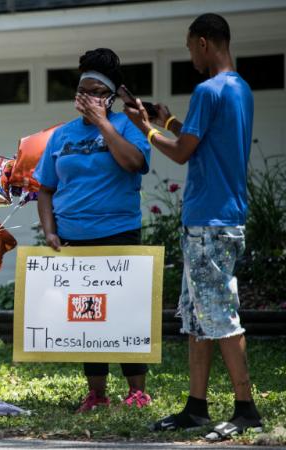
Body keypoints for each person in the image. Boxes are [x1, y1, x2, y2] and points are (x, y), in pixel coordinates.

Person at [124, 13, 262, 440]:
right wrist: (166, 122)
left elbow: (182, 154)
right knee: (199, 320)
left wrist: (144, 128)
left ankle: (247, 410)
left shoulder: (206, 89)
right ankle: (196, 408)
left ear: (204, 43)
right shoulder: (240, 88)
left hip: (208, 220)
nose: (189, 55)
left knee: (220, 316)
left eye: (189, 46)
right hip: (223, 217)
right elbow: (201, 144)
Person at [34, 48, 152, 413]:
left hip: (118, 233)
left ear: (109, 96)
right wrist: (50, 231)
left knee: (123, 313)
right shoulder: (61, 136)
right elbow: (45, 188)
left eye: (94, 90)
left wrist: (103, 123)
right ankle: (97, 393)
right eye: (80, 89)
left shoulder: (127, 126)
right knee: (88, 316)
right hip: (74, 239)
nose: (84, 95)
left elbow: (135, 163)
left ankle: (136, 390)